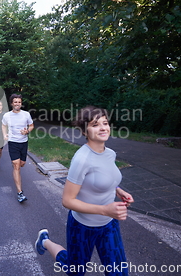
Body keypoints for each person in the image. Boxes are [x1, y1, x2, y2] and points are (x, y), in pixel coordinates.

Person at [35, 106, 134, 276]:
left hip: (108, 224)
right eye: (95, 124)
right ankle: (45, 242)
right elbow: (67, 200)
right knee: (75, 271)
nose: (103, 127)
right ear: (85, 131)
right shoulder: (81, 159)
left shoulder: (110, 153)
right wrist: (105, 209)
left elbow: (102, 178)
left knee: (119, 273)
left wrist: (118, 190)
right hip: (82, 226)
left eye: (105, 122)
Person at [2, 94, 34, 203]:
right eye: (15, 102)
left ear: (21, 103)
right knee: (16, 166)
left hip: (23, 142)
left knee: (22, 164)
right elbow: (3, 125)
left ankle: (17, 164)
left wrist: (27, 131)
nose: (17, 104)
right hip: (13, 142)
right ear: (11, 103)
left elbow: (31, 125)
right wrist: (4, 134)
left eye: (19, 102)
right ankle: (20, 192)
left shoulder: (26, 114)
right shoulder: (7, 115)